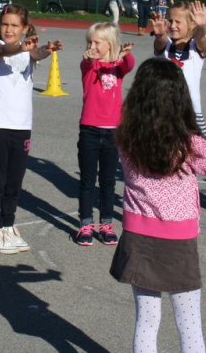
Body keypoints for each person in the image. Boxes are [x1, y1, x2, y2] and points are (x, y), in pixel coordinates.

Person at [110, 58, 206, 353]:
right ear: (179, 98)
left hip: (138, 234)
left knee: (146, 320)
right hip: (178, 239)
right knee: (189, 323)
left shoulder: (125, 138)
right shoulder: (188, 142)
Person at [0, 4, 62, 254]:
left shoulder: (27, 50)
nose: (9, 29)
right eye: (5, 24)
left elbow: (35, 54)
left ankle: (8, 224)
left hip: (22, 126)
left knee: (14, 182)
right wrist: (22, 47)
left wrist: (47, 50)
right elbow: (4, 49)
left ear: (25, 28)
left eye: (15, 25)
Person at [75, 23, 135, 246]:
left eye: (97, 42)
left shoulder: (117, 68)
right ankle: (85, 224)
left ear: (110, 44)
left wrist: (124, 55)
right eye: (89, 42)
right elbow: (86, 62)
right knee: (87, 180)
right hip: (89, 130)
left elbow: (129, 65)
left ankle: (107, 225)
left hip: (113, 133)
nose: (92, 45)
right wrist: (89, 56)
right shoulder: (90, 66)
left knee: (108, 181)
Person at [151, 0, 206, 136]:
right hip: (164, 111)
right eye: (170, 21)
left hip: (191, 112)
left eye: (178, 22)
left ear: (192, 24)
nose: (173, 26)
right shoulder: (166, 45)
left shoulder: (195, 46)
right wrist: (160, 35)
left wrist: (201, 27)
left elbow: (201, 40)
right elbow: (159, 44)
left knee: (198, 152)